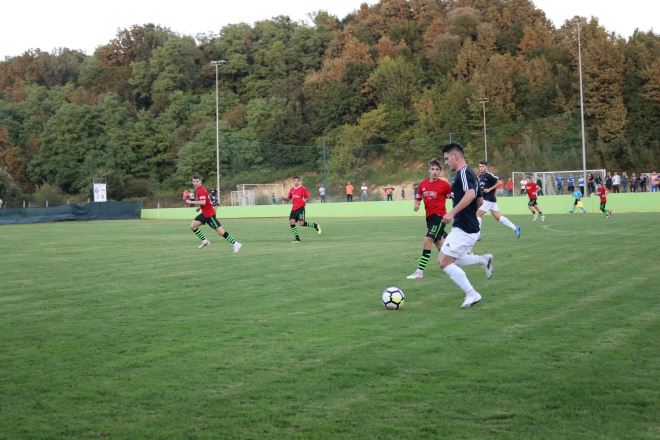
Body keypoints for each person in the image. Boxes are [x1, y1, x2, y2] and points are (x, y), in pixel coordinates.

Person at [439, 143, 493, 309]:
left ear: (455, 156)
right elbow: (480, 201)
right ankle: (484, 260)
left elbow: (470, 194)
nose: (446, 162)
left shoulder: (463, 173)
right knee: (451, 259)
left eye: (446, 158)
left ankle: (472, 294)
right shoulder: (471, 174)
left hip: (464, 227)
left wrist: (452, 213)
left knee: (444, 262)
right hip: (465, 226)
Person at [406, 158, 452, 280]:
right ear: (429, 170)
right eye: (433, 169)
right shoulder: (423, 184)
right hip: (430, 219)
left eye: (437, 169)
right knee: (441, 246)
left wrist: (453, 213)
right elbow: (418, 197)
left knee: (427, 240)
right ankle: (471, 259)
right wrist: (416, 204)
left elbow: (454, 197)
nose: (435, 171)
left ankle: (419, 271)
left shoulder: (445, 185)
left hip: (440, 217)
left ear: (440, 171)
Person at [186, 175, 242, 253]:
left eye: (197, 181)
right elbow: (206, 201)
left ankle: (235, 243)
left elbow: (203, 202)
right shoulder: (199, 189)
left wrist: (191, 202)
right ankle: (205, 241)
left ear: (200, 182)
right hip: (204, 214)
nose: (195, 183)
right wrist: (199, 207)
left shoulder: (201, 190)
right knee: (193, 226)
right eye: (194, 181)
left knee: (220, 231)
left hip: (209, 215)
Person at [476, 161, 521, 240]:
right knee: (498, 217)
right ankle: (515, 228)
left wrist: (490, 189)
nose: (481, 168)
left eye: (482, 166)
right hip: (489, 200)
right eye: (480, 166)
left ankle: (477, 235)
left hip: (488, 200)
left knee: (477, 215)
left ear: (486, 167)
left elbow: (500, 182)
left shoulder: (489, 175)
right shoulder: (481, 176)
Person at [288, 176, 321, 243]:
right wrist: (284, 198)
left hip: (300, 208)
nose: (296, 181)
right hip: (294, 208)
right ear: (293, 181)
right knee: (291, 222)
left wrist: (306, 200)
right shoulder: (292, 189)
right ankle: (297, 239)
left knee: (302, 223)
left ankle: (315, 225)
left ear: (299, 181)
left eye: (297, 180)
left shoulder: (303, 188)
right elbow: (289, 198)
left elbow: (308, 197)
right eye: (295, 180)